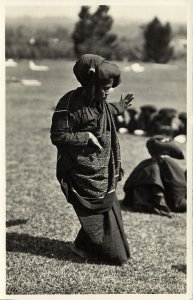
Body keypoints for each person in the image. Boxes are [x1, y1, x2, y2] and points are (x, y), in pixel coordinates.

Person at [50, 54, 134, 265]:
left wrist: (121, 107)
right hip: (82, 172)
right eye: (104, 88)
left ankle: (83, 244)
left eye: (110, 88)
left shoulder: (100, 102)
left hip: (103, 169)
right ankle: (84, 245)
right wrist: (86, 136)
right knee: (102, 231)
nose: (108, 92)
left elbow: (109, 110)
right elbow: (58, 136)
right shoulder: (69, 103)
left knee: (114, 234)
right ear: (89, 83)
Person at [122, 135, 186, 216]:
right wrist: (164, 211)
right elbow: (157, 192)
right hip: (145, 202)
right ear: (160, 153)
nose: (167, 157)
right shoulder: (153, 168)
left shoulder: (149, 165)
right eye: (165, 154)